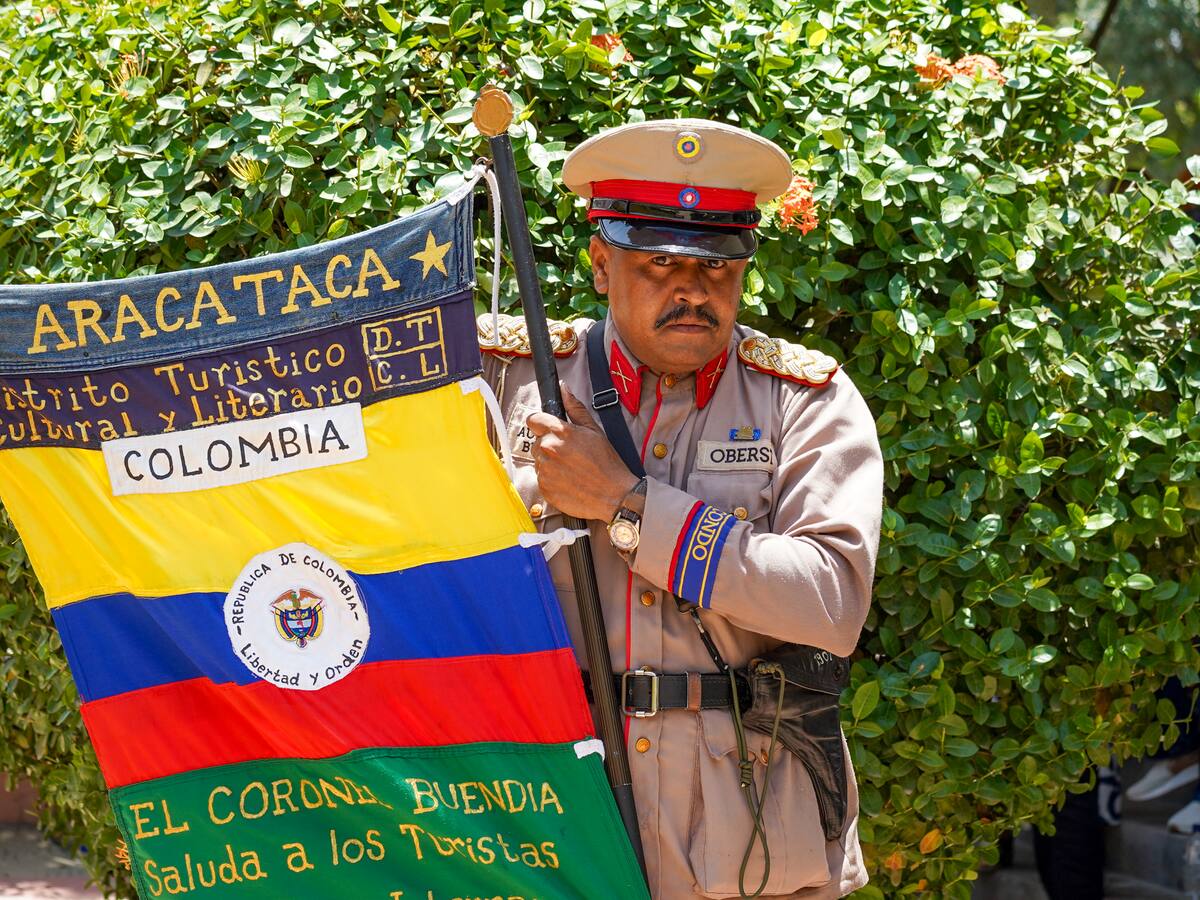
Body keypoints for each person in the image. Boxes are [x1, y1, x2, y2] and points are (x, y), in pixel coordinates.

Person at [479, 119, 884, 899]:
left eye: (717, 266)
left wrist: (624, 503)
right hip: (557, 826)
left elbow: (830, 602)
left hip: (749, 844)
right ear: (602, 264)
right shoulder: (509, 384)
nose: (693, 289)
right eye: (661, 262)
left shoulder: (805, 403)